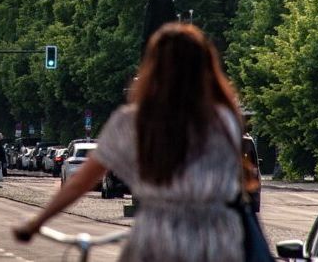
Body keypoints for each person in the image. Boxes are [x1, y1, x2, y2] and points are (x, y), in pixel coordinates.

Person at [13, 23, 246, 262]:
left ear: (154, 67)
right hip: (219, 242)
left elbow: (80, 182)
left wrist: (35, 223)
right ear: (205, 67)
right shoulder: (226, 119)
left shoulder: (133, 121)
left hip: (158, 241)